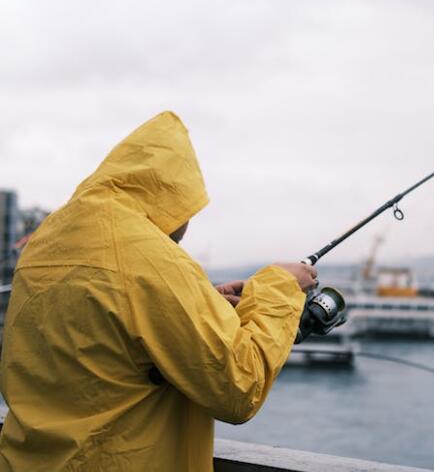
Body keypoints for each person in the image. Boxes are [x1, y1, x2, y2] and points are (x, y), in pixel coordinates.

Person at [0, 111, 318, 471]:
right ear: (173, 194)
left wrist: (201, 302)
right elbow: (239, 389)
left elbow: (102, 332)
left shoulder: (48, 239)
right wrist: (281, 286)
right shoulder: (150, 256)